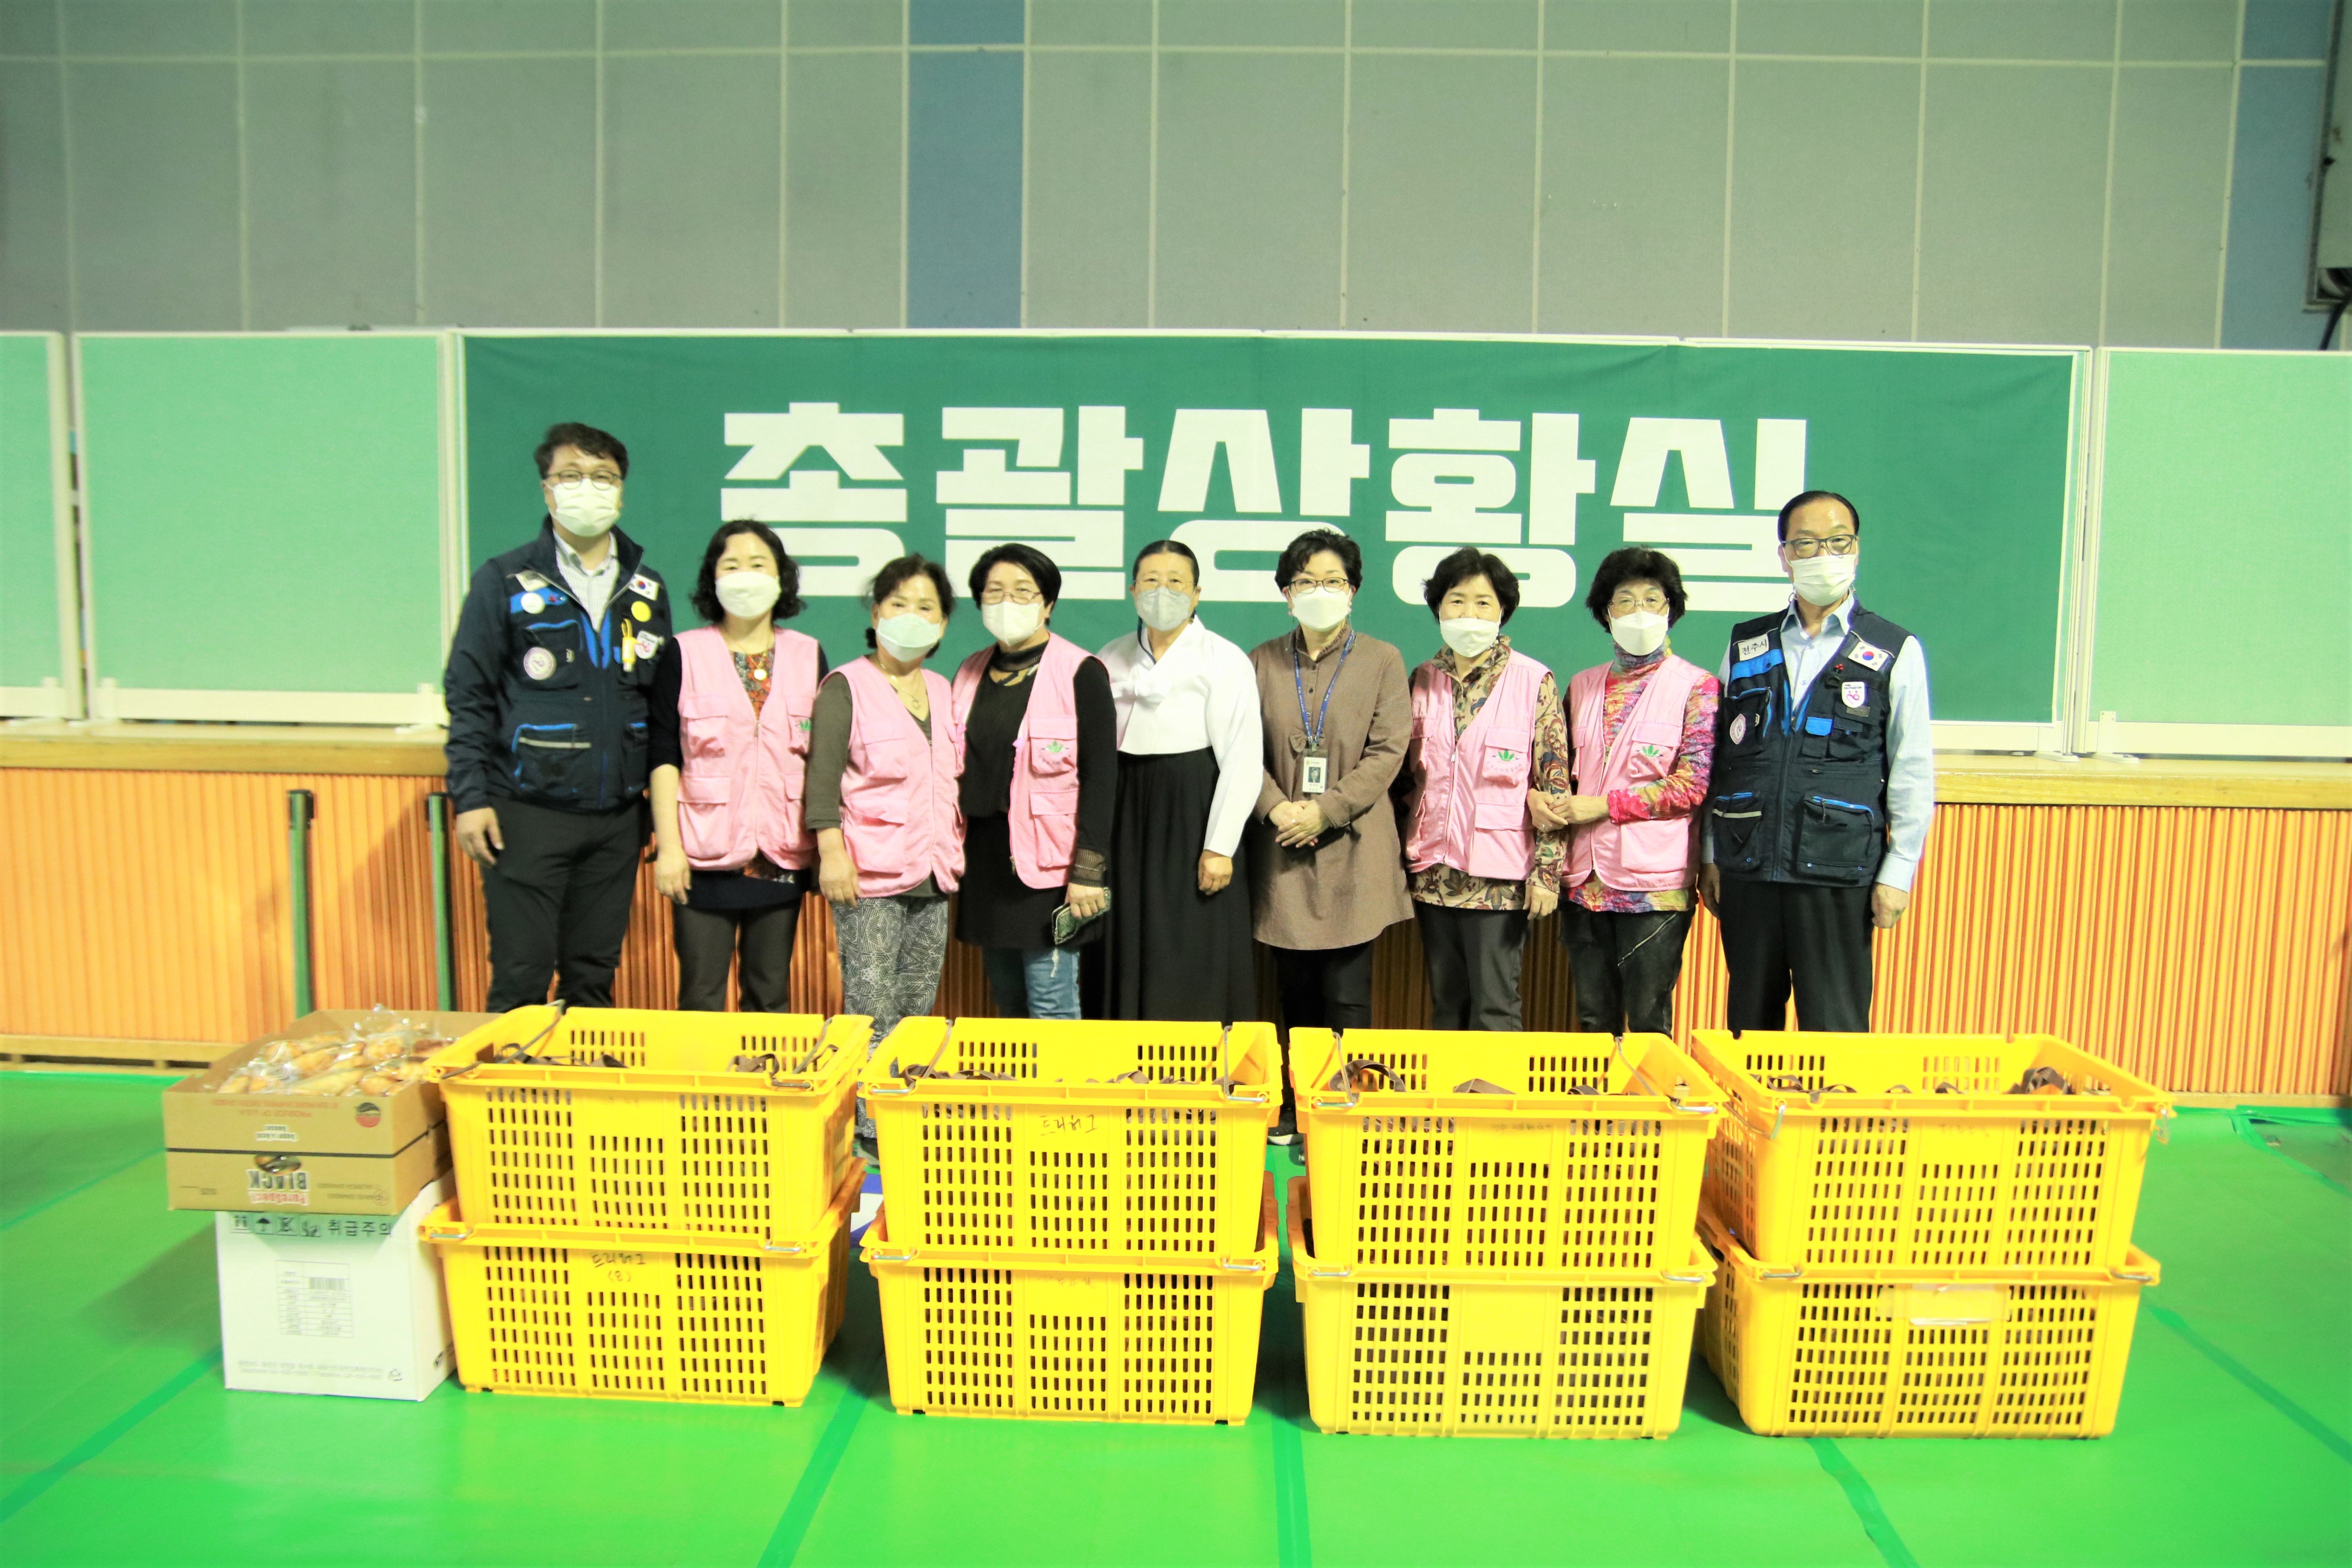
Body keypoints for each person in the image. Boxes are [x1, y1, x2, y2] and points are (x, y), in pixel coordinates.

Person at [443, 422, 671, 1011]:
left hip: (618, 818)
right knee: (522, 973)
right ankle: (513, 1074)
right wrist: (470, 798)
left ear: (621, 492)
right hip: (526, 812)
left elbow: (659, 707)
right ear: (547, 489)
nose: (587, 488)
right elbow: (468, 694)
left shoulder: (647, 589)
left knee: (593, 975)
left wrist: (658, 815)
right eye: (571, 476)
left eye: (603, 477)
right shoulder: (504, 580)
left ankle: (584, 1072)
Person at [1697, 490, 1934, 1031]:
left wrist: (1899, 872)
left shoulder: (1893, 649)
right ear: (1785, 555)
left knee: (1835, 1028)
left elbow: (1912, 769)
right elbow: (1722, 759)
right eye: (1805, 544)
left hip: (1837, 868)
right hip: (1749, 864)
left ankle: (1832, 1096)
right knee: (1748, 1027)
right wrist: (1711, 852)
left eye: (1837, 542)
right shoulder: (1746, 644)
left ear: (1856, 549)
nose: (1823, 554)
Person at [1247, 528, 1412, 1133]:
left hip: (1354, 848)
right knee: (1293, 992)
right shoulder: (1260, 661)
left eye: (1334, 581)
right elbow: (1241, 748)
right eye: (1307, 581)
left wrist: (1327, 810)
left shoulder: (1383, 660)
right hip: (1282, 847)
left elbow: (1388, 751)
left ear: (1354, 590)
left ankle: (1342, 1111)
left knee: (1347, 993)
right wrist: (1276, 808)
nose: (1320, 591)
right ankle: (1296, 1110)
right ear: (1287, 593)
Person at [1533, 548, 1719, 1036]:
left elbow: (1692, 785)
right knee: (1594, 1020)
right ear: (1606, 613)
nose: (1640, 612)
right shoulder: (1582, 686)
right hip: (1584, 882)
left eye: (1653, 600)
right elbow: (1558, 772)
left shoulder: (1698, 687)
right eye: (1626, 600)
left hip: (1654, 888)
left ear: (1671, 609)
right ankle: (1599, 1093)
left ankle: (1649, 1094)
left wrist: (1602, 806)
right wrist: (1538, 798)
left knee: (1649, 1023)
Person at [646, 521, 822, 1012]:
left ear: (781, 578)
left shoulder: (808, 653)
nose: (745, 576)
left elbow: (823, 759)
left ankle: (766, 1068)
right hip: (703, 854)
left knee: (769, 996)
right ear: (713, 578)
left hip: (780, 854)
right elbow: (663, 754)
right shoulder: (684, 652)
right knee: (701, 997)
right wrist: (669, 848)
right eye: (732, 565)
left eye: (758, 565)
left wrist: (823, 847)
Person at [807, 557, 964, 1095]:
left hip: (934, 872)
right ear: (876, 614)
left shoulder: (942, 689)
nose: (911, 616)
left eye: (926, 607)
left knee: (916, 1007)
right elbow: (823, 778)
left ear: (943, 624)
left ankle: (902, 1111)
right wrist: (832, 853)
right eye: (899, 604)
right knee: (872, 1007)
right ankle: (868, 1122)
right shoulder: (845, 686)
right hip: (868, 876)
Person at [1396, 547, 1570, 1031]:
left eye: (1482, 603)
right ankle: (1448, 1086)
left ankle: (1493, 1087)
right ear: (1438, 608)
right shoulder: (1421, 680)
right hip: (1433, 872)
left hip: (1500, 879)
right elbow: (1404, 780)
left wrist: (1547, 873)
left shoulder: (1533, 680)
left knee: (1495, 1007)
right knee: (1446, 1005)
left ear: (1502, 611)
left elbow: (1553, 784)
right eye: (1456, 601)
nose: (1468, 613)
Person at [1095, 540, 1262, 1023]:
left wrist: (1220, 847)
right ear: (1132, 590)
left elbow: (1243, 759)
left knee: (1192, 940)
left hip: (1194, 810)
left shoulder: (1224, 658)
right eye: (1151, 581)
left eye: (1175, 582)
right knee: (1125, 933)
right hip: (1124, 811)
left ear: (1196, 594)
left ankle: (1199, 1061)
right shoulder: (1110, 656)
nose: (1162, 592)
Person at [949, 544, 1117, 1020]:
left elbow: (1101, 780)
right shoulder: (969, 671)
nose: (1008, 603)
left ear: (1048, 604)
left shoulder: (1081, 671)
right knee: (1009, 1001)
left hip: (1050, 867)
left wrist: (1088, 872)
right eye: (995, 592)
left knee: (1051, 1004)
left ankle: (1058, 1074)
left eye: (1023, 592)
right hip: (985, 864)